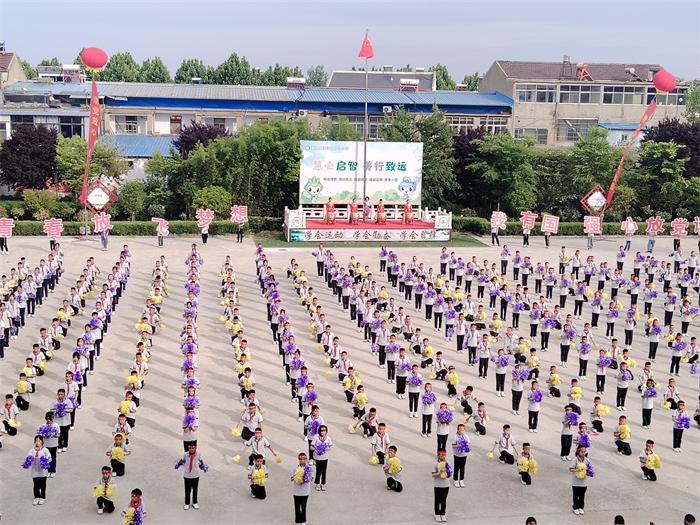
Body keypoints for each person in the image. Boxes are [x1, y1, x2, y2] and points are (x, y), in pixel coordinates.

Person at [175, 443, 208, 510]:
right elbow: (182, 461)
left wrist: (203, 467)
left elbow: (201, 462)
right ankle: (187, 503)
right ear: (188, 448)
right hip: (187, 475)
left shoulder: (198, 455)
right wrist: (178, 465)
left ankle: (195, 502)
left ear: (195, 448)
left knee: (195, 490)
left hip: (195, 475)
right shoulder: (185, 454)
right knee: (187, 490)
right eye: (190, 448)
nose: (191, 449)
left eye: (193, 448)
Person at [23, 435, 51, 505]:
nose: (38, 442)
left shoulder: (45, 450)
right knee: (36, 485)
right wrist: (29, 460)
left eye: (39, 440)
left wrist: (45, 461)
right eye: (36, 441)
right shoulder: (32, 450)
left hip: (43, 471)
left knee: (43, 485)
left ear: (42, 441)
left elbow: (50, 458)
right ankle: (36, 497)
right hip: (35, 470)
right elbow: (28, 458)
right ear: (34, 442)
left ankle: (42, 497)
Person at [569, 445, 592, 515]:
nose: (583, 453)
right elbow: (570, 469)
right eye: (582, 451)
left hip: (584, 482)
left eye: (584, 452)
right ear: (578, 451)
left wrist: (589, 471)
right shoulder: (575, 459)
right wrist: (577, 470)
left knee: (582, 496)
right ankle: (575, 507)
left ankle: (581, 507)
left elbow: (590, 469)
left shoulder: (587, 460)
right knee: (576, 495)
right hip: (576, 482)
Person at [291, 452, 312, 525]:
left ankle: (303, 520)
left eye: (304, 459)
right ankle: (298, 520)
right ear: (298, 459)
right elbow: (292, 478)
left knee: (303, 506)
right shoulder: (295, 468)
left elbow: (311, 478)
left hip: (305, 491)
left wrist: (305, 479)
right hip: (296, 491)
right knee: (297, 506)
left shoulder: (309, 468)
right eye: (301, 459)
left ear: (306, 459)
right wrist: (297, 479)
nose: (302, 460)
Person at [432, 449, 451, 522]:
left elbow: (450, 473)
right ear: (438, 455)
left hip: (446, 485)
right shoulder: (435, 463)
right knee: (437, 500)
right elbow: (433, 474)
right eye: (441, 455)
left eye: (444, 455)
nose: (443, 456)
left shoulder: (448, 462)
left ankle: (443, 514)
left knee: (443, 500)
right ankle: (437, 514)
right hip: (437, 485)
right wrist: (439, 473)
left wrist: (447, 471)